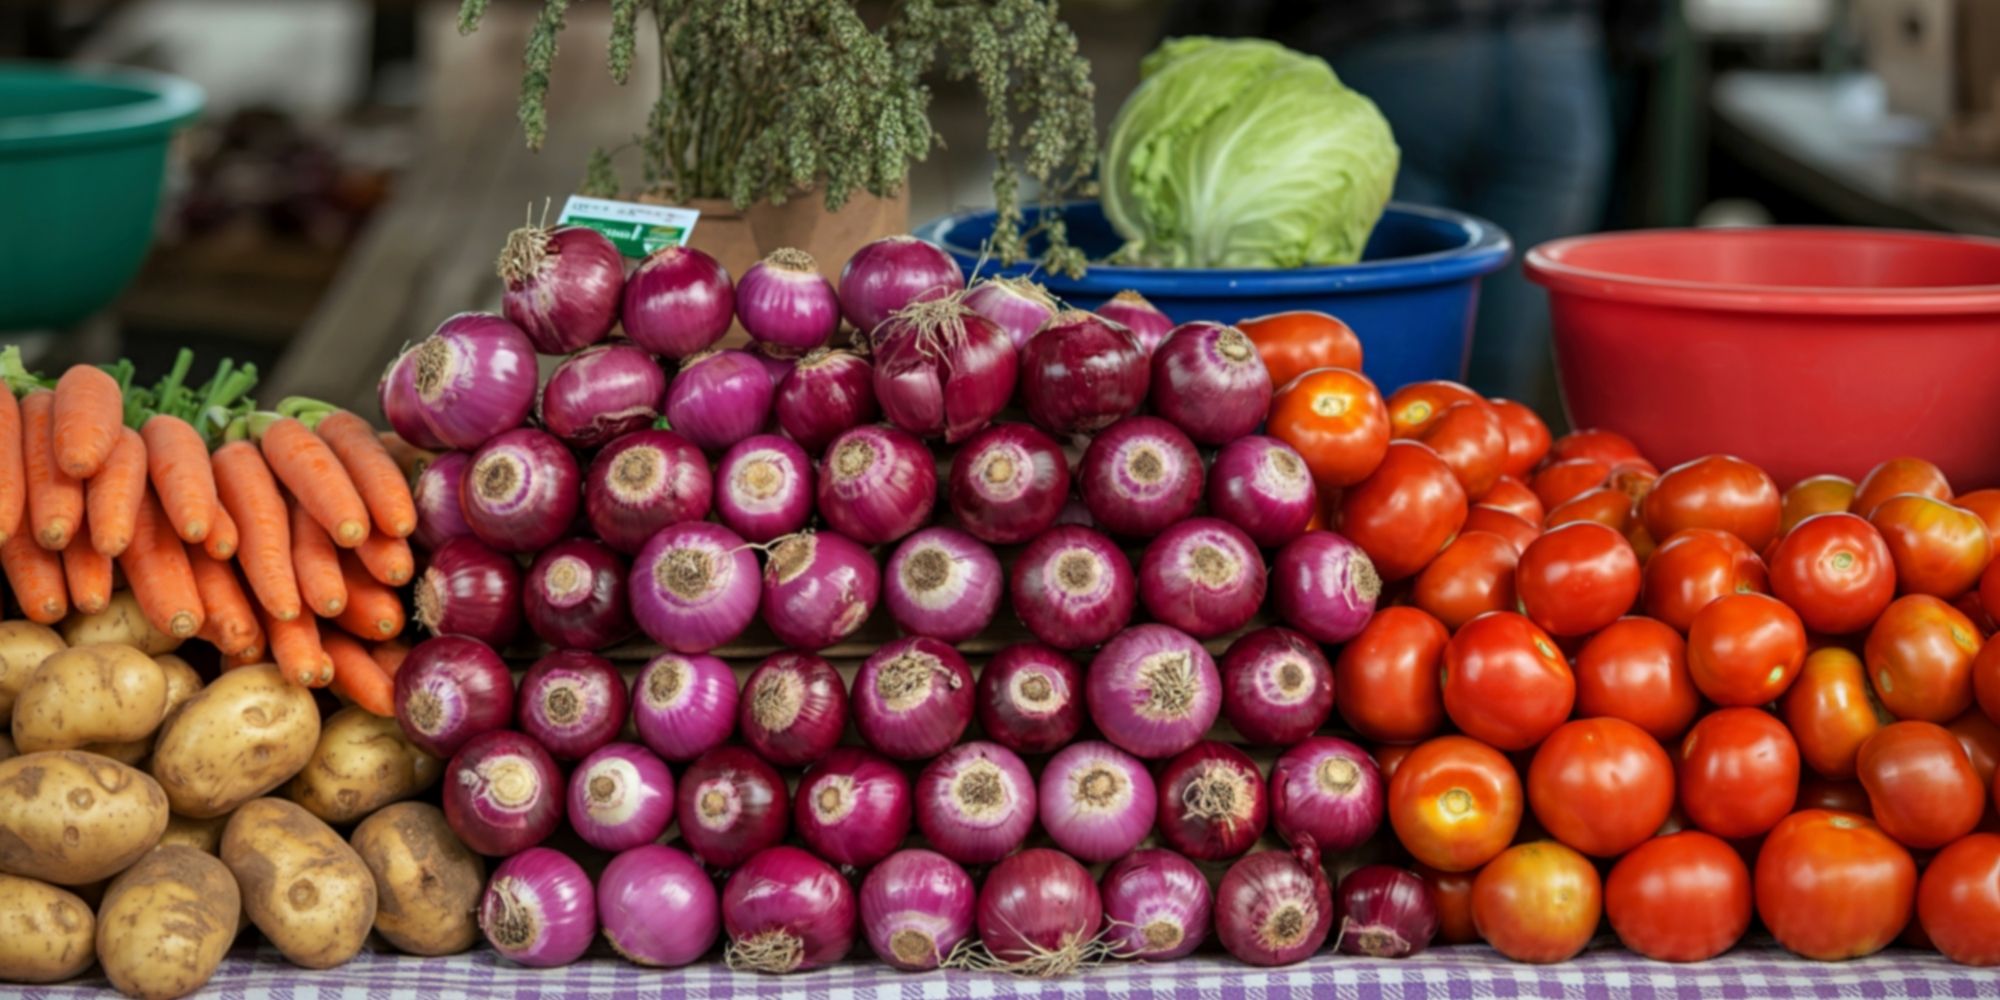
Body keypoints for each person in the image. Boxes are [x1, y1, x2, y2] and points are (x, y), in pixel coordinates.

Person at [1164, 1, 1652, 418]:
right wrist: (1627, 43)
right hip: (1553, 58)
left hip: (1385, 51)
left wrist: (1210, 52)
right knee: (1497, 374)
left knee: (1376, 355)